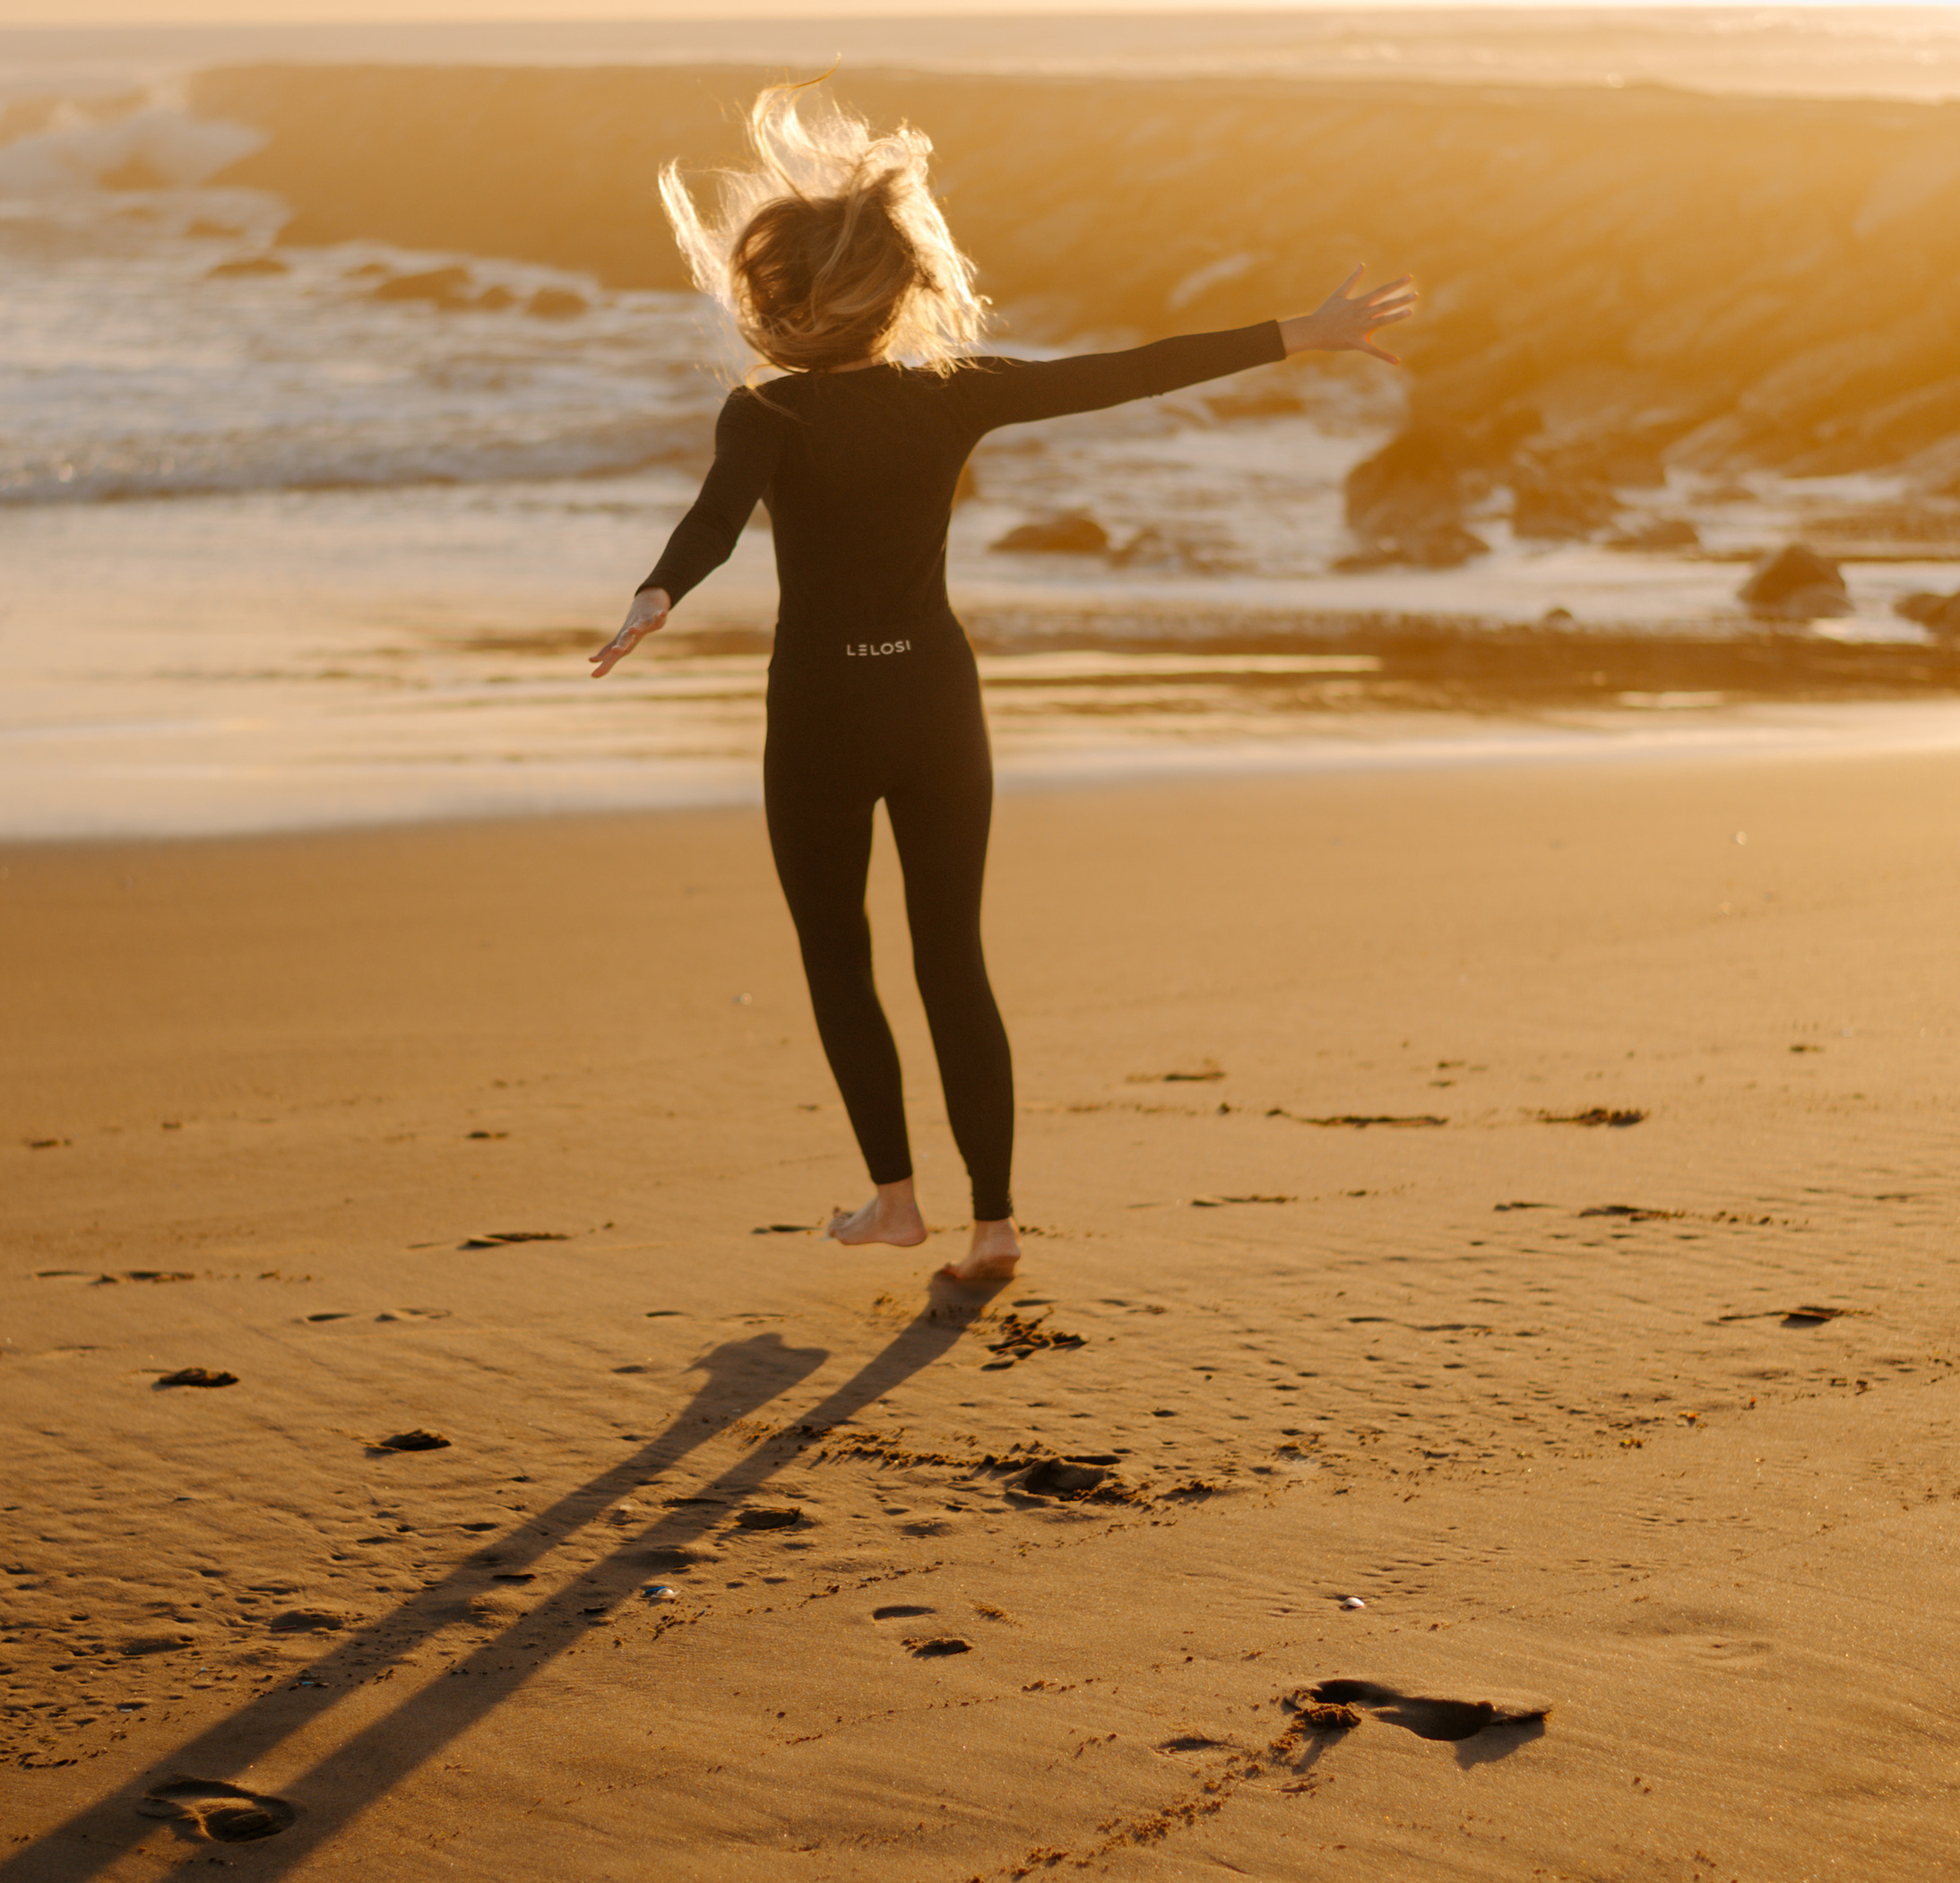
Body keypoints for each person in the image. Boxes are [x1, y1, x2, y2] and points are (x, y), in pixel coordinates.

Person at [590, 88, 1409, 1283]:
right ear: (896, 287)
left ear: (781, 298)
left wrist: (656, 596)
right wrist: (1304, 331)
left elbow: (711, 523)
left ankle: (895, 1200)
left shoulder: (763, 410)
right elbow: (1132, 372)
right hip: (934, 702)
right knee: (951, 960)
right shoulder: (951, 393)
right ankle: (995, 1224)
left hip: (821, 714)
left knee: (839, 960)